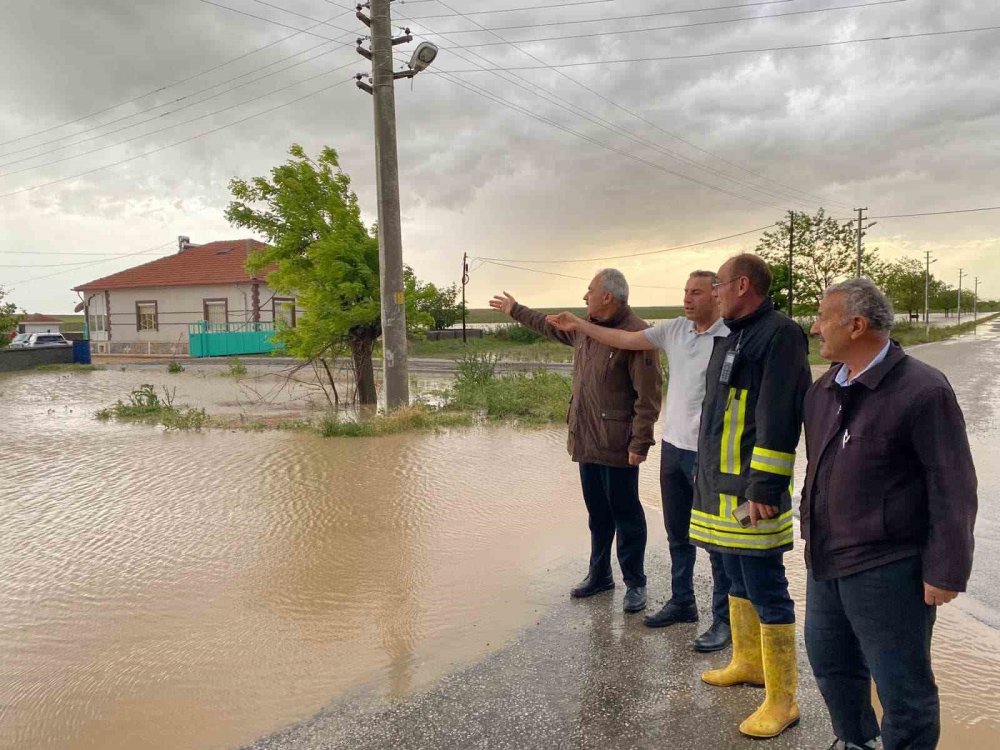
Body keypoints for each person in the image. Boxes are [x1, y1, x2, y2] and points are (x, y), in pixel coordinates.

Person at [802, 279, 977, 750]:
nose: (814, 327)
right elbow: (818, 469)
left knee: (904, 690)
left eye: (823, 317)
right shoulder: (822, 390)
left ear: (856, 326)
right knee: (831, 664)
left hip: (889, 567)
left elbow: (953, 486)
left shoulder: (922, 390)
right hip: (826, 560)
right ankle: (855, 740)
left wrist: (945, 571)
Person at [546, 271, 734, 652]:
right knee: (678, 533)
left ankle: (724, 619)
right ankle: (683, 602)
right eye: (684, 291)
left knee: (716, 539)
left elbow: (646, 394)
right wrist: (576, 322)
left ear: (717, 296)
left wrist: (638, 439)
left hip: (709, 451)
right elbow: (624, 338)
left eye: (696, 292)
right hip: (673, 447)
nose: (687, 298)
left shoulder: (732, 338)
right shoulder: (676, 330)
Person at [489, 269, 662, 613]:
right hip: (586, 439)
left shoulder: (637, 334)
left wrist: (639, 442)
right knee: (598, 514)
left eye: (589, 290)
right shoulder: (585, 329)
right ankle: (599, 576)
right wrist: (515, 310)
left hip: (617, 443)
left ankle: (635, 583)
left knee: (626, 514)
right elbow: (550, 325)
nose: (585, 297)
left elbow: (649, 396)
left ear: (608, 296)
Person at [693, 253, 810, 739]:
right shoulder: (732, 334)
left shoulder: (780, 334)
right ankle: (747, 662)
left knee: (766, 584)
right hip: (720, 488)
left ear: (742, 285)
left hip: (751, 492)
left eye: (718, 285)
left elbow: (779, 414)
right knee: (732, 570)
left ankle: (783, 700)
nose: (714, 292)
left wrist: (764, 488)